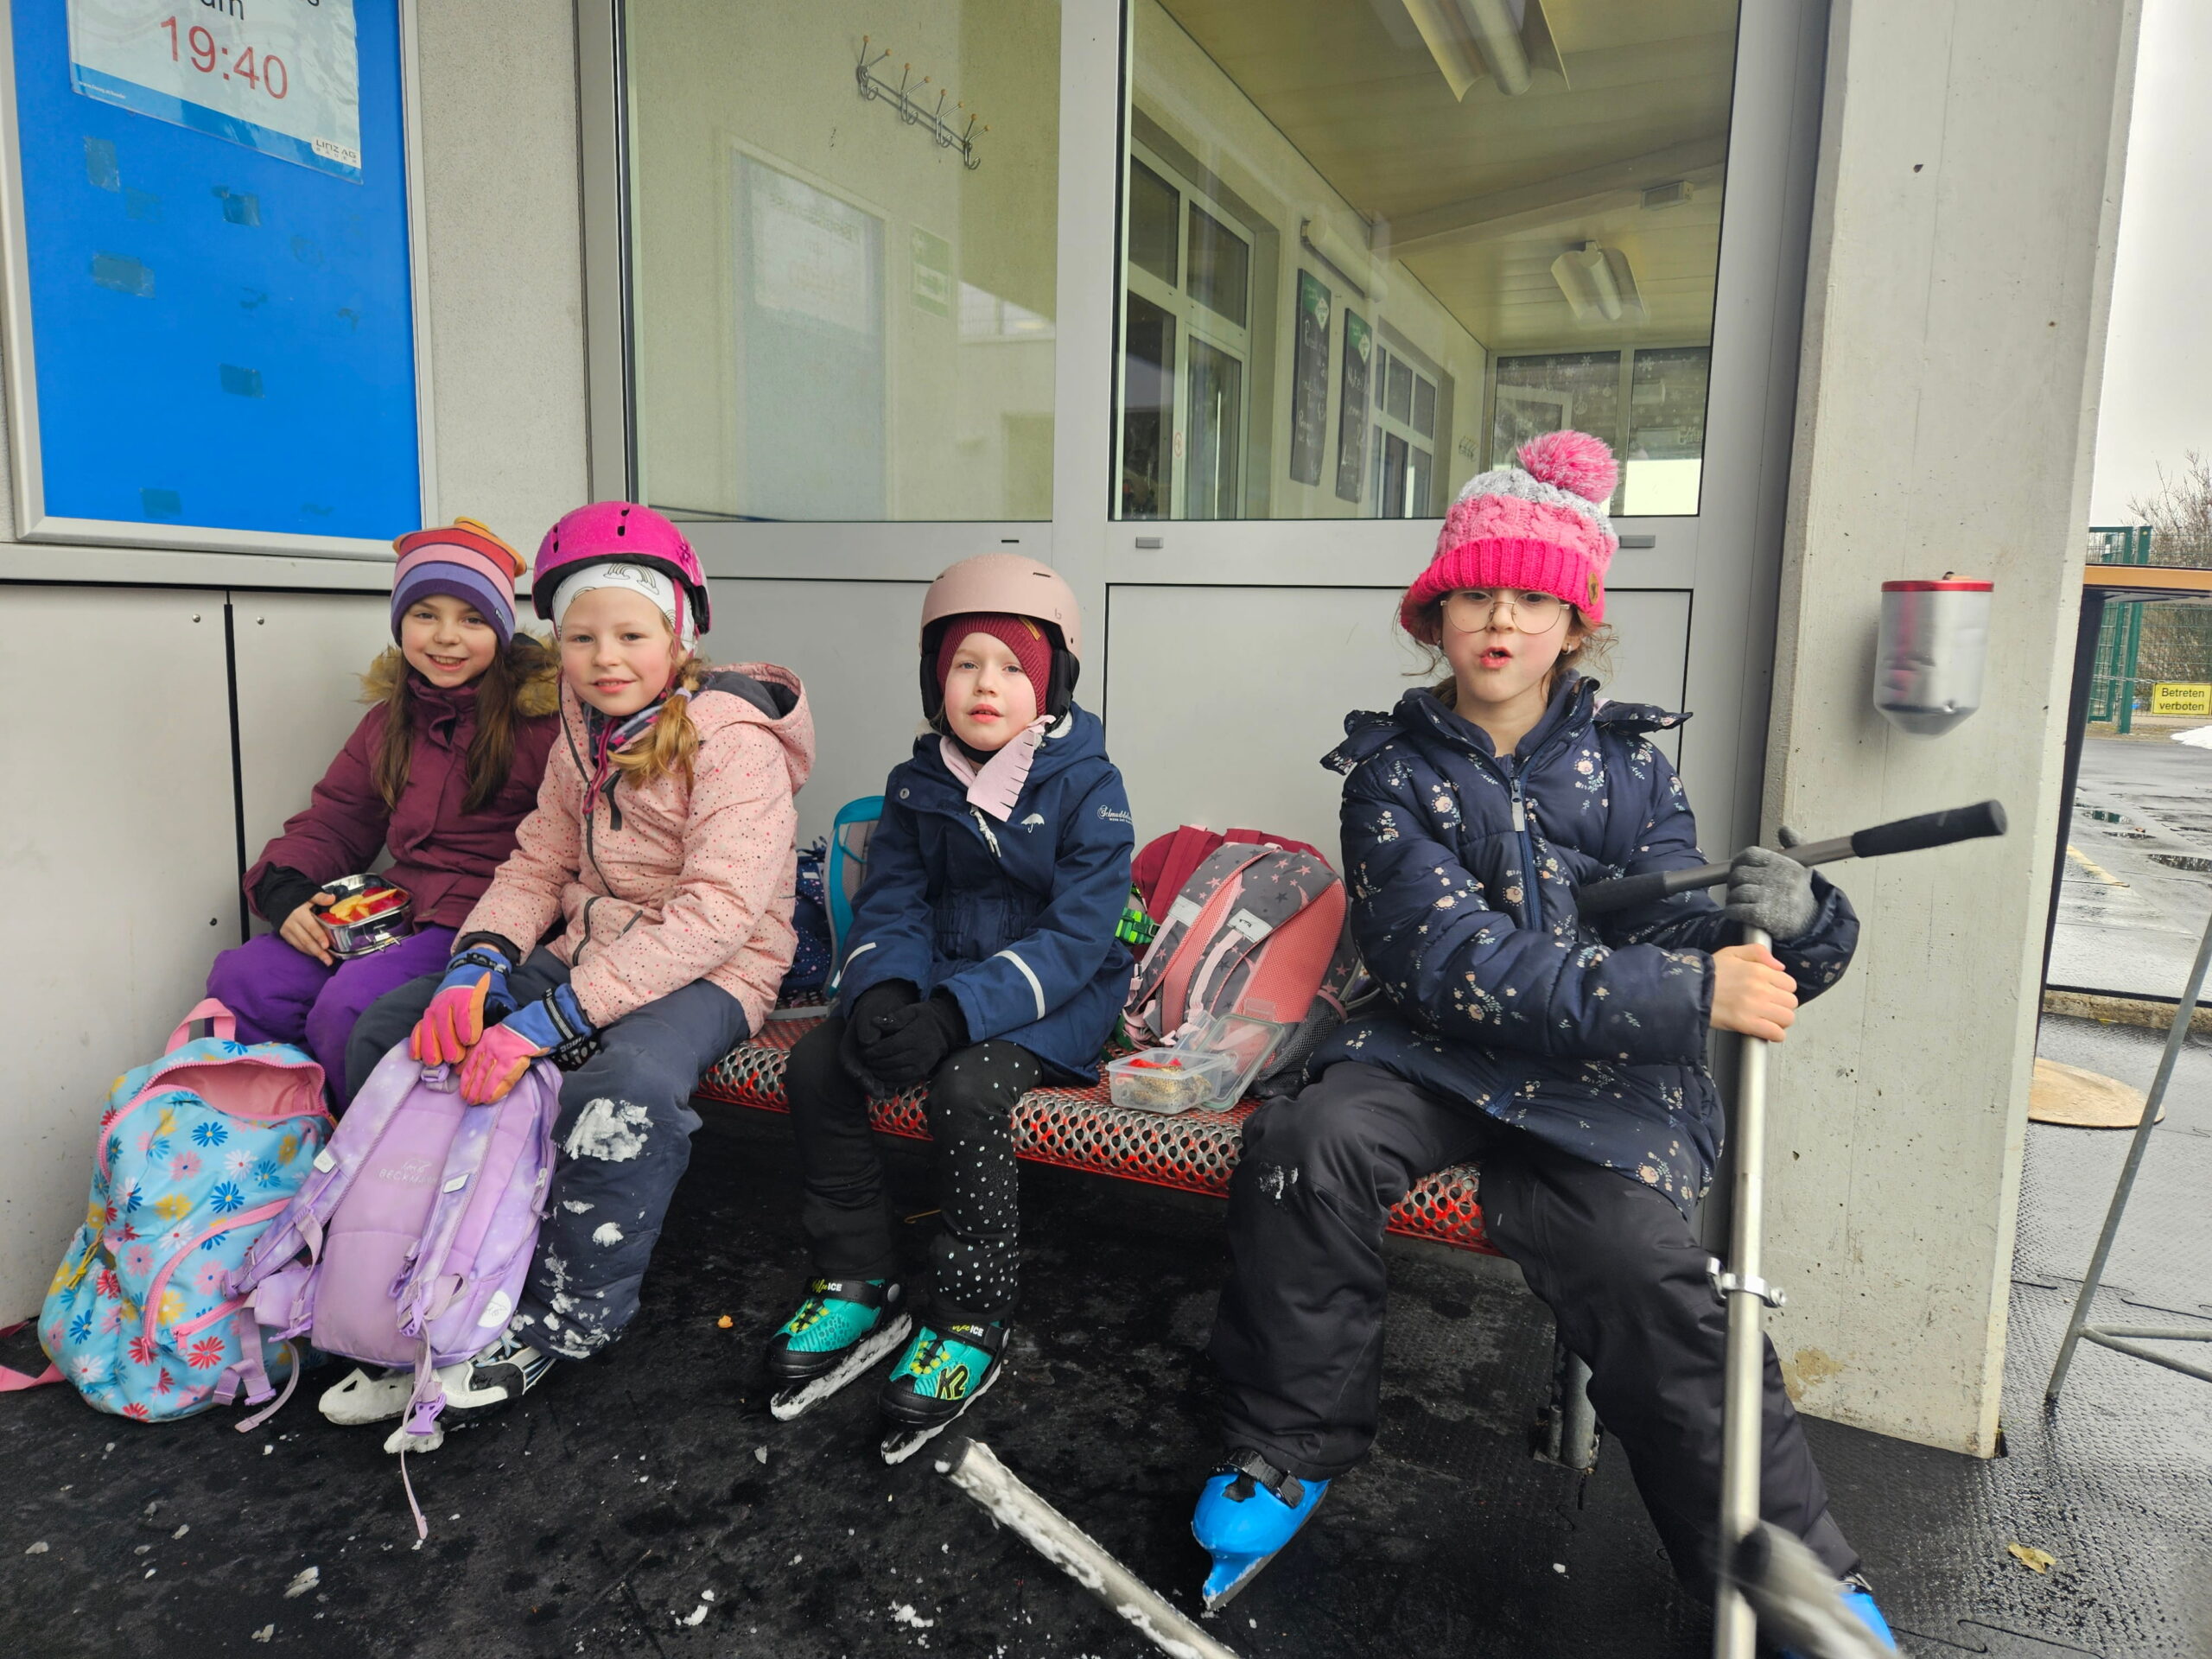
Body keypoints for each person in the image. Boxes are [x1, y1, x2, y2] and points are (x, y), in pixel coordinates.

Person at [1192, 431, 1895, 1650]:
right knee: (1308, 1141)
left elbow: (1684, 920)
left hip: (1597, 1084)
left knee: (1644, 1268)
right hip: (1435, 1053)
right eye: (1474, 594)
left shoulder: (1631, 772)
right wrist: (1686, 992)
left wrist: (1799, 920)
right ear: (1435, 616)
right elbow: (1442, 961)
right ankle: (1288, 1441)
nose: (1500, 619)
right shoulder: (1389, 777)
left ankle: (1789, 1567)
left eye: (1531, 598)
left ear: (1575, 625)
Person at [342, 502, 813, 1425]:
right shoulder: (580, 734)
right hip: (590, 948)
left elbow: (718, 913)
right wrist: (477, 966)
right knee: (394, 1033)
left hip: (715, 970)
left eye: (632, 635)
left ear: (678, 637)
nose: (606, 658)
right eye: (581, 637)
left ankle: (564, 1316)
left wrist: (550, 1021)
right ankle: (418, 1273)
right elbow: (538, 862)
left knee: (623, 1090)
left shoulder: (731, 743)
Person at [762, 554, 1135, 1460]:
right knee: (819, 1063)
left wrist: (954, 1016)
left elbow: (1077, 937)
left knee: (967, 1090)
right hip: (940, 983)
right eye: (965, 664)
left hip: (1054, 999)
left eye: (1012, 666)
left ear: (1051, 682)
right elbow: (894, 900)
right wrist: (885, 992)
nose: (985, 685)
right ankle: (856, 1275)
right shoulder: (917, 781)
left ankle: (971, 1313)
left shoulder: (1088, 785)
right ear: (936, 680)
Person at [207, 519, 558, 1096]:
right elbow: (339, 818)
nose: (446, 637)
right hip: (395, 907)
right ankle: (274, 1123)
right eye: (425, 615)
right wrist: (283, 885)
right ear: (400, 623)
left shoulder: (540, 725)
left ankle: (355, 1140)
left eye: (472, 619)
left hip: (483, 920)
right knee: (248, 978)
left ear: (500, 627)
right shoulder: (389, 719)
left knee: (350, 1007)